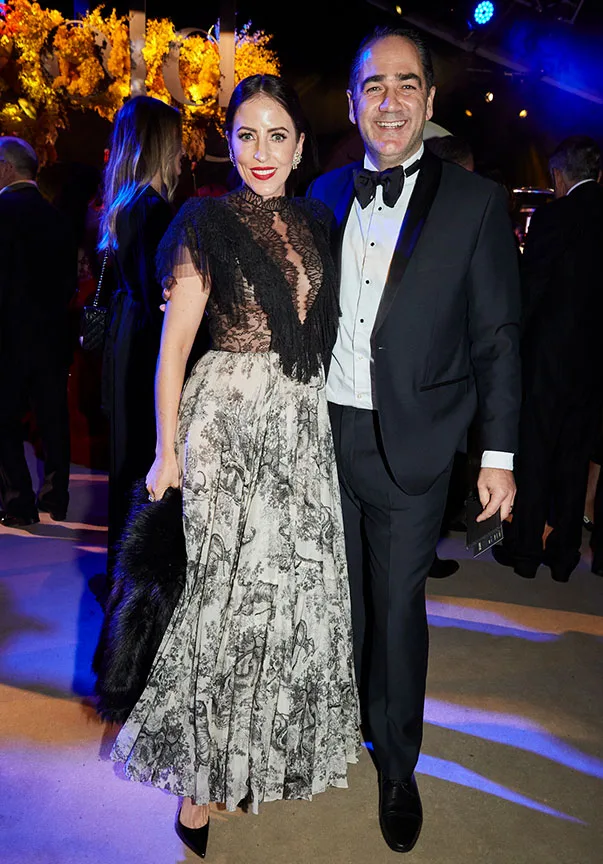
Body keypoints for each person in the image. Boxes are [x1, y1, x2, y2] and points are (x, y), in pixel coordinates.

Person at [110, 74, 360, 859]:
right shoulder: (201, 221)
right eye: (245, 134)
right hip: (225, 420)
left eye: (276, 134)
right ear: (227, 141)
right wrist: (166, 449)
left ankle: (254, 755)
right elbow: (174, 347)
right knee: (218, 605)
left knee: (282, 597)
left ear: (298, 145)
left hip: (298, 422)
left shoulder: (319, 217)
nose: (260, 151)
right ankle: (197, 785)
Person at [307, 26, 521, 853]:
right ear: (354, 101)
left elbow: (497, 337)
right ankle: (341, 724)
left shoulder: (476, 203)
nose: (388, 101)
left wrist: (496, 458)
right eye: (372, 86)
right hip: (322, 433)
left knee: (396, 609)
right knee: (342, 602)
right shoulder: (322, 194)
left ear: (430, 101)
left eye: (405, 85)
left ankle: (396, 766)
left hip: (417, 443)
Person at [492, 135, 603, 583]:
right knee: (576, 457)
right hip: (595, 364)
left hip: (547, 359)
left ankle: (524, 552)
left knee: (535, 453)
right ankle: (563, 556)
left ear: (559, 174)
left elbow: (531, 289)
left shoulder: (554, 216)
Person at [99, 95, 184, 584]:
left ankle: (121, 578)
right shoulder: (150, 209)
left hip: (128, 338)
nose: (182, 154)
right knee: (141, 464)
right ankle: (131, 584)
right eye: (175, 143)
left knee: (129, 463)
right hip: (146, 343)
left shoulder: (128, 204)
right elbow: (162, 296)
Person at [0, 137, 76, 526]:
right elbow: (70, 282)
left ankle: (19, 502)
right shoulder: (58, 218)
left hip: (8, 337)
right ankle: (56, 496)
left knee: (5, 419)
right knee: (52, 418)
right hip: (52, 335)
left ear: (6, 168)